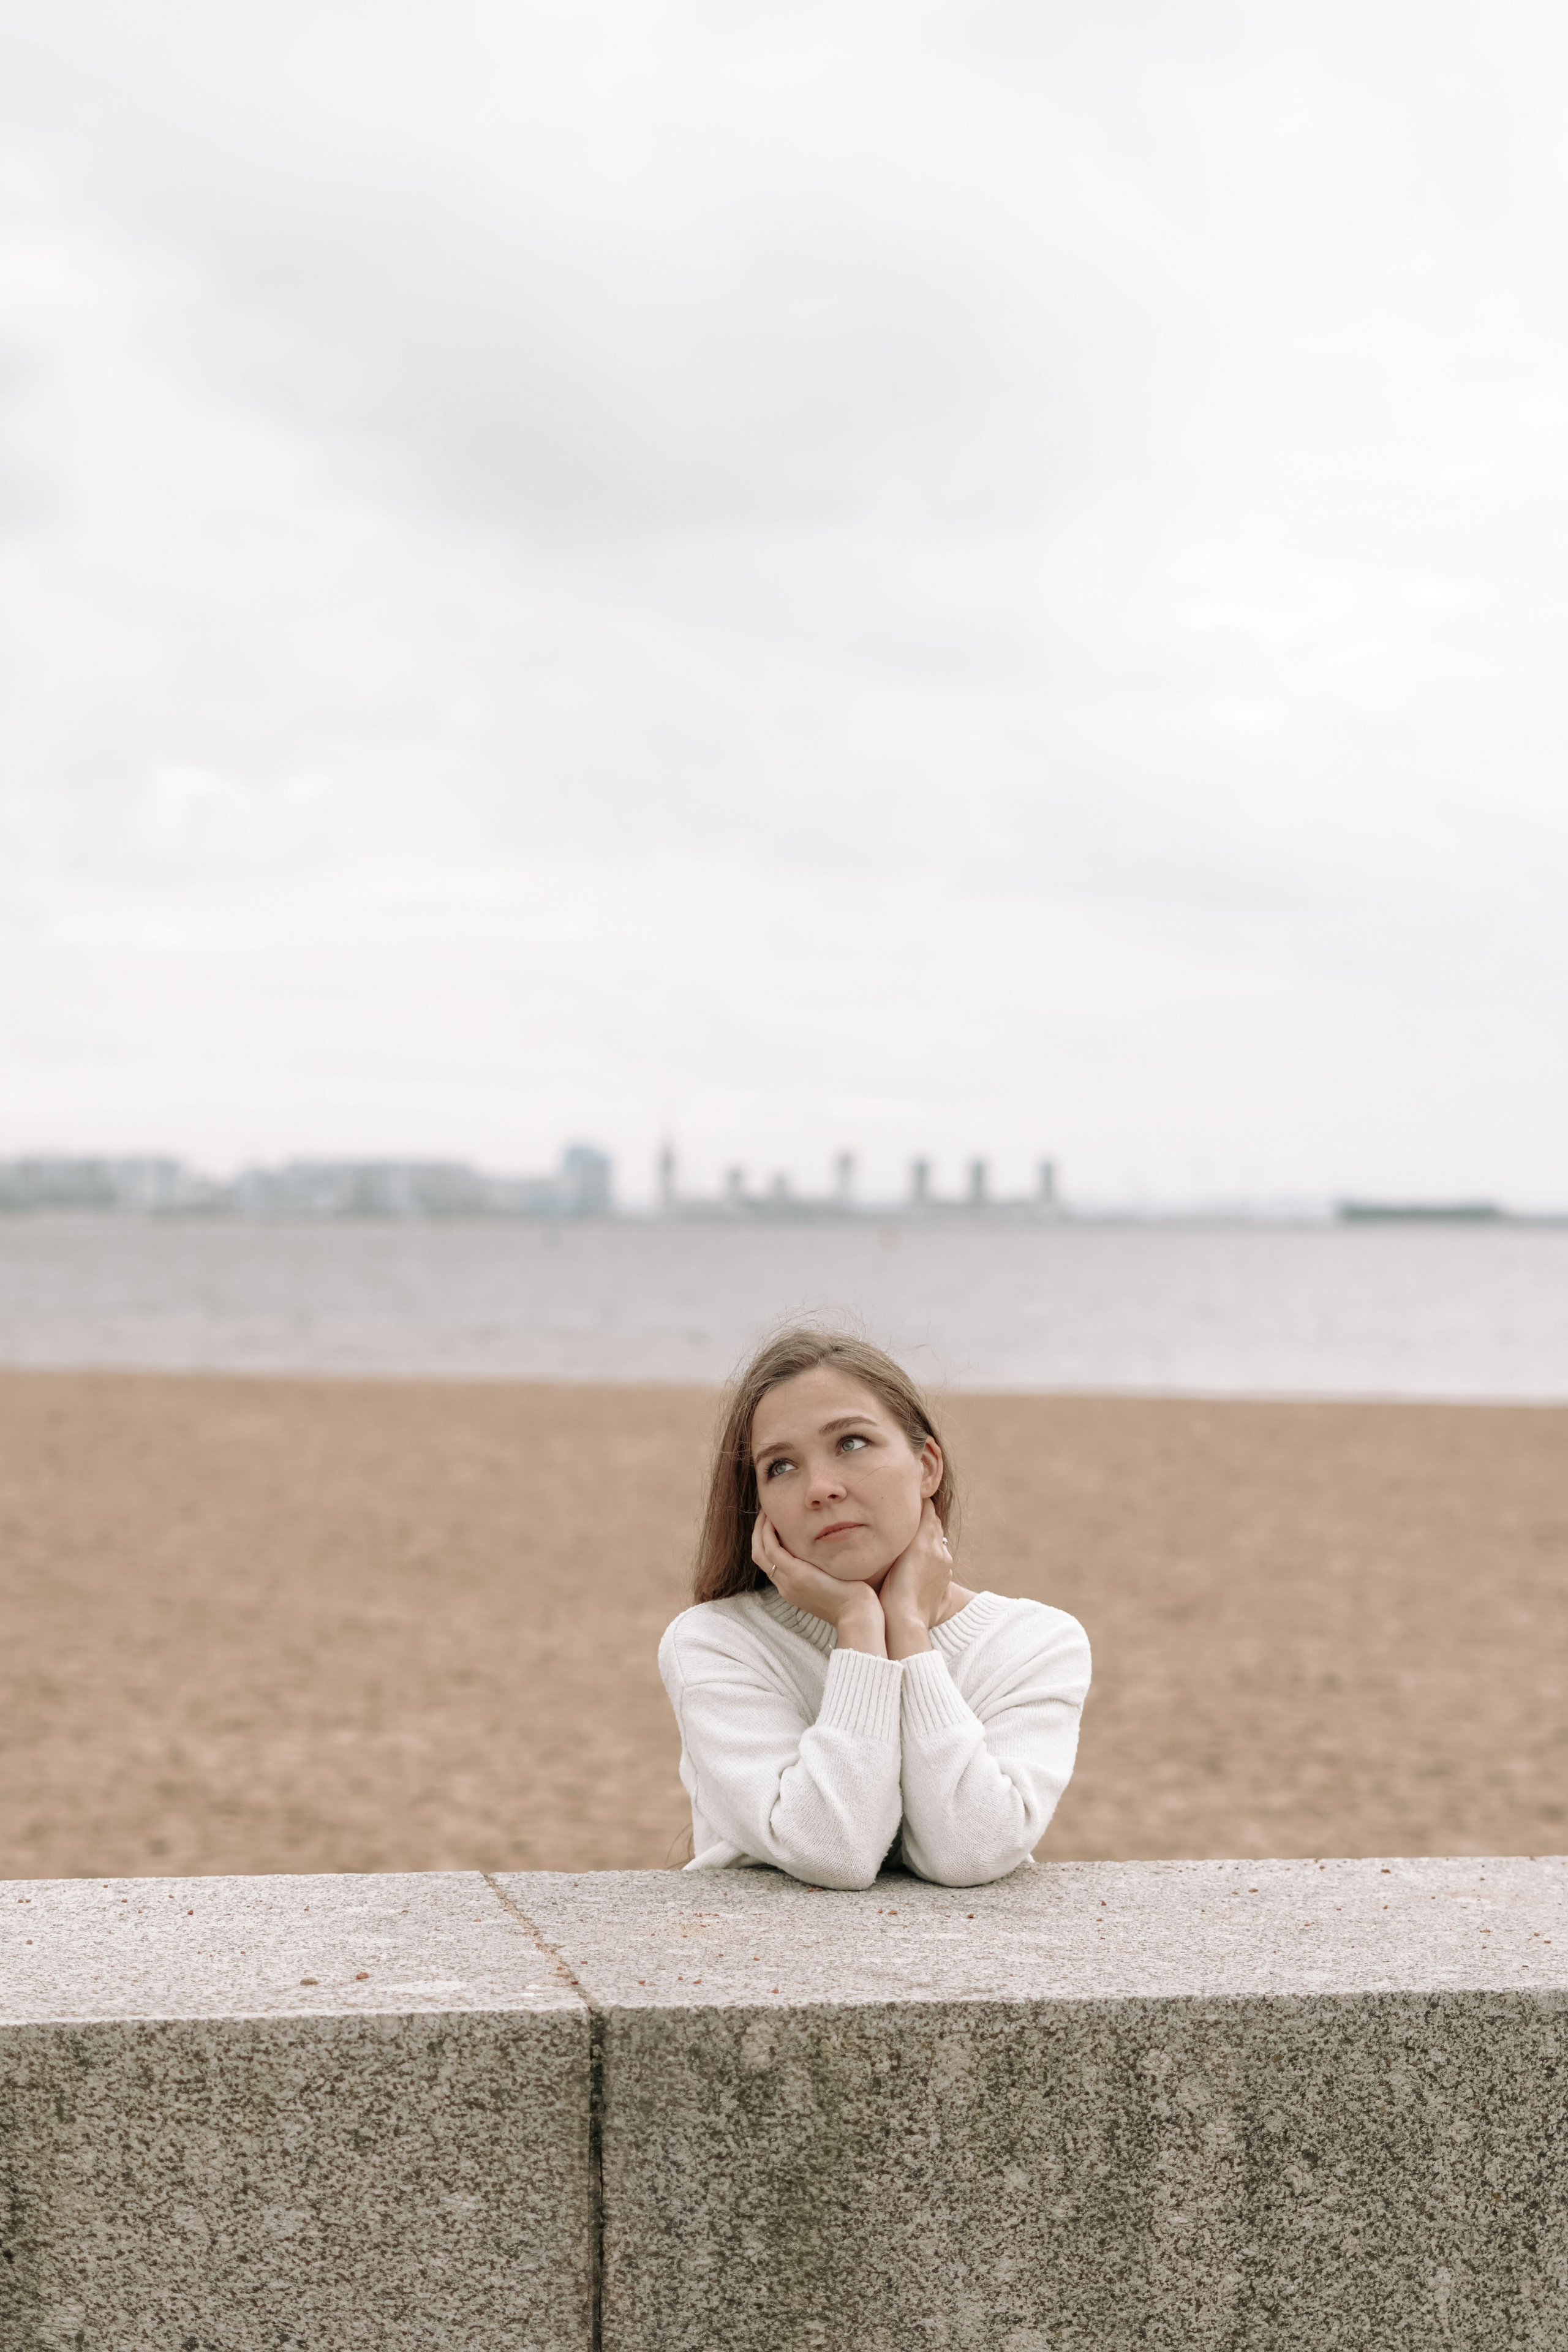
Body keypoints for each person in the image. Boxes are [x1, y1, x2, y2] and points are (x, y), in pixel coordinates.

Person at [658, 1325, 1091, 1890]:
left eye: (851, 1443)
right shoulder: (716, 1643)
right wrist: (859, 1625)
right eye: (780, 1467)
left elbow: (970, 1852)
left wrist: (908, 1630)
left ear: (927, 1466)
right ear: (759, 1505)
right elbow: (833, 1850)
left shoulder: (1035, 1643)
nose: (820, 1488)